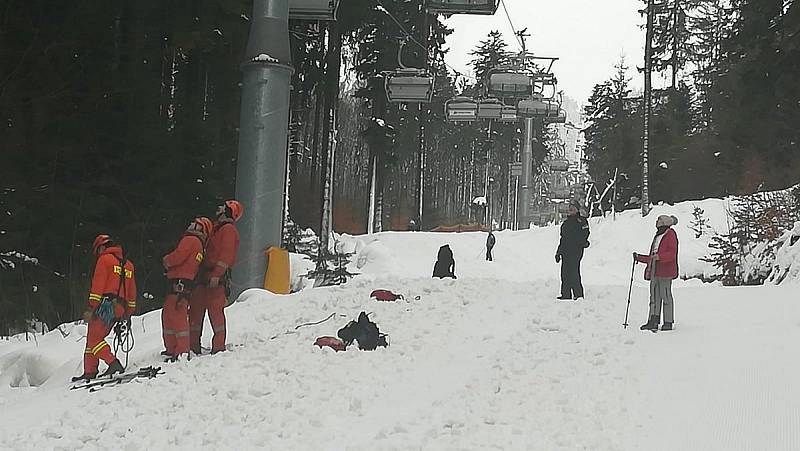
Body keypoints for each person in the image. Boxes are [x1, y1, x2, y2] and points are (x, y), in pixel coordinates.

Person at [72, 235, 136, 382]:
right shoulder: (128, 265)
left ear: (101, 247)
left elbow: (97, 286)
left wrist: (91, 307)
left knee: (95, 340)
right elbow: (132, 292)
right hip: (120, 308)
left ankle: (113, 363)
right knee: (92, 337)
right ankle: (90, 370)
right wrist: (128, 312)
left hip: (105, 307)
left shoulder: (104, 260)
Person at [189, 200, 242, 355]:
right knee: (196, 311)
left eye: (222, 207)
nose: (218, 208)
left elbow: (226, 255)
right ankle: (192, 347)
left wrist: (217, 274)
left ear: (228, 211)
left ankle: (218, 348)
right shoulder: (217, 229)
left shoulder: (228, 231)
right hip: (204, 275)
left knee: (215, 313)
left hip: (215, 278)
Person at [161, 217, 213, 361]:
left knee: (175, 316)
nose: (191, 224)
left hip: (178, 282)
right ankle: (174, 348)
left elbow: (179, 256)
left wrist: (167, 260)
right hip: (184, 282)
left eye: (194, 223)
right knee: (171, 314)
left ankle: (180, 350)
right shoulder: (199, 245)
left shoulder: (190, 240)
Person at [634, 215, 679, 331]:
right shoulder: (658, 235)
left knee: (665, 295)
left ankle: (668, 321)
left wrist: (660, 257)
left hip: (665, 270)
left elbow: (672, 253)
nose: (656, 222)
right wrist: (640, 258)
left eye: (659, 220)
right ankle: (653, 320)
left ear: (664, 222)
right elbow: (653, 256)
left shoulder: (670, 234)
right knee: (654, 296)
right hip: (655, 269)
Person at [555, 201, 590, 300]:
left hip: (576, 251)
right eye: (570, 208)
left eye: (573, 208)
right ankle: (566, 294)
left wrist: (582, 242)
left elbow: (585, 233)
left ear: (577, 210)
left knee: (574, 272)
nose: (570, 210)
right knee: (564, 273)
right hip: (566, 252)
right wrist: (558, 252)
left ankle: (578, 294)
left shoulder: (582, 221)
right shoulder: (565, 224)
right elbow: (563, 240)